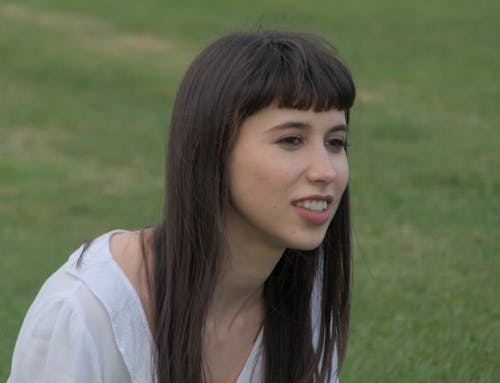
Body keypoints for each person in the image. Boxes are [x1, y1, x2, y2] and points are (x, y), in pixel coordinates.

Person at [8, 30, 355, 383]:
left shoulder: (304, 290)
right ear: (212, 149)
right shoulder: (85, 312)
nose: (325, 171)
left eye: (336, 142)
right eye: (291, 140)